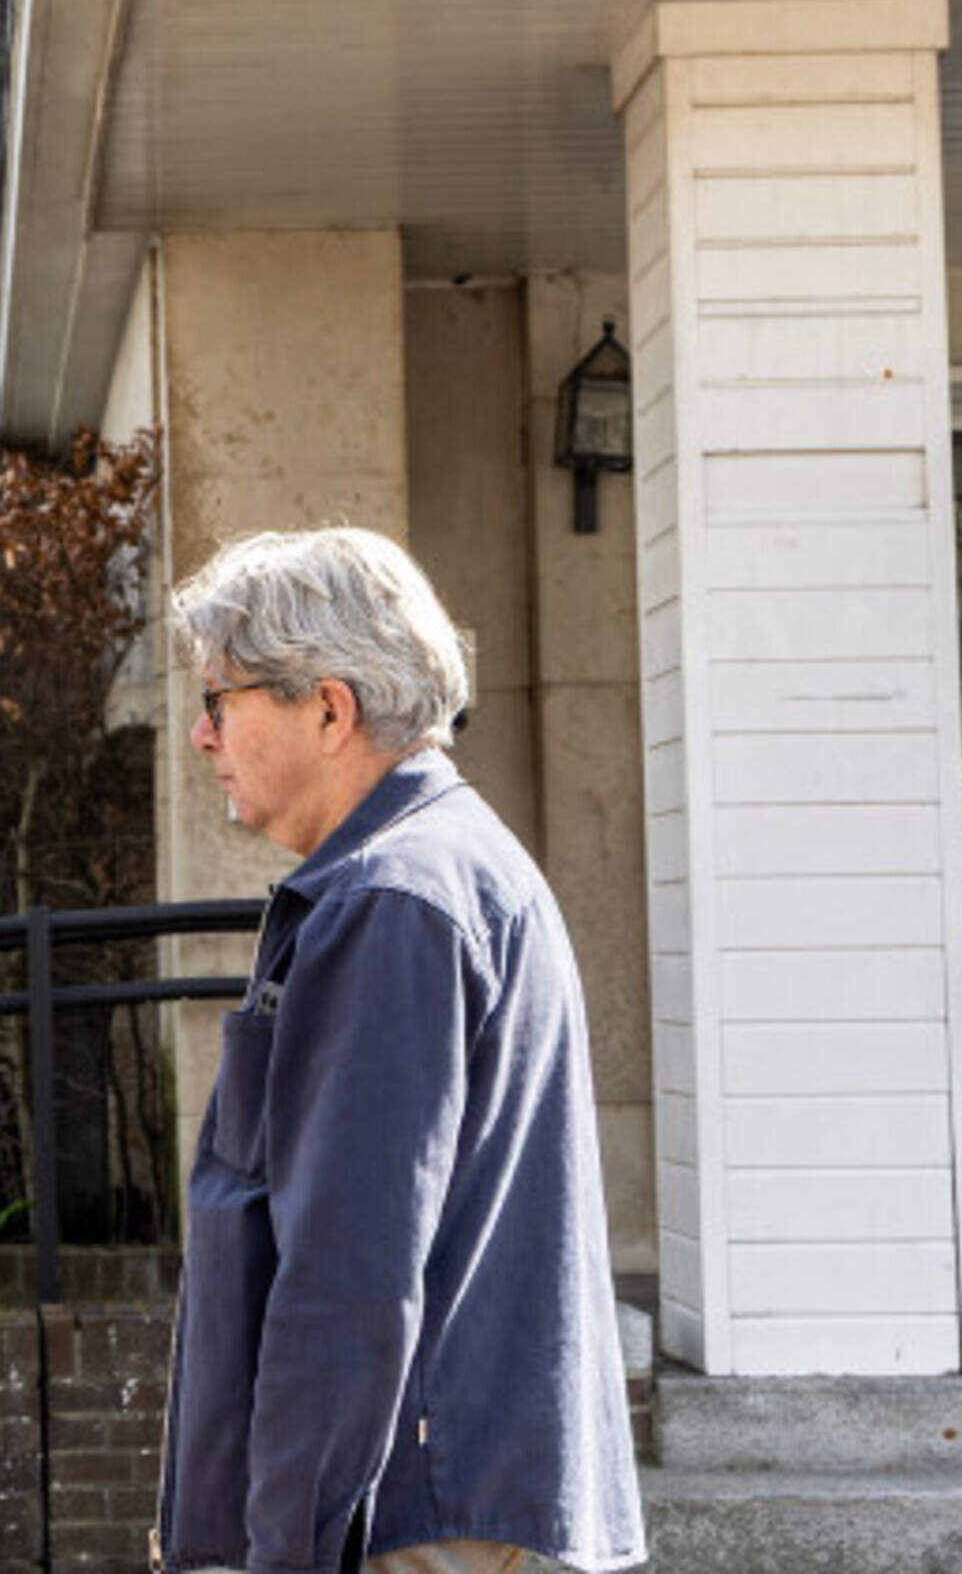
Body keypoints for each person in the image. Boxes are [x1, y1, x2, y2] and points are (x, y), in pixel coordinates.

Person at [156, 528, 644, 1574]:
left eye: (220, 699)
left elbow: (349, 1275)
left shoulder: (391, 899)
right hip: (445, 1485)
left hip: (405, 1508)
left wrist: (286, 1549)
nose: (201, 736)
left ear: (329, 710)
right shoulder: (442, 866)